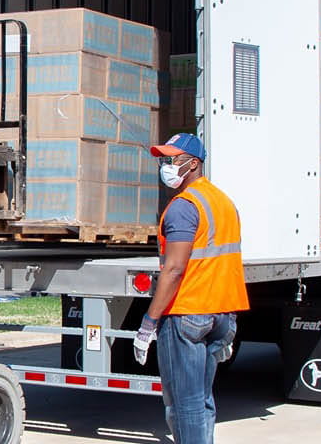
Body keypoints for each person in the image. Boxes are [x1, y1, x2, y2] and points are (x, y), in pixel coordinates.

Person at [134, 133, 248, 444]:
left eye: (172, 159)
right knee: (202, 398)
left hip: (188, 314)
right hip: (221, 312)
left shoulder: (183, 207)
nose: (166, 165)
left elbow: (174, 269)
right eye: (165, 159)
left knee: (184, 404)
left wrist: (149, 323)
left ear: (193, 163)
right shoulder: (223, 201)